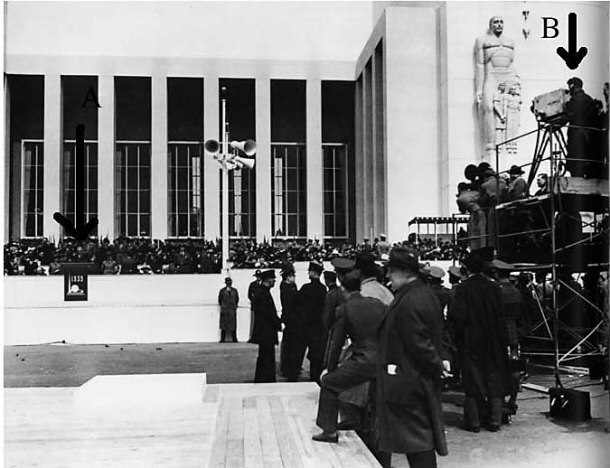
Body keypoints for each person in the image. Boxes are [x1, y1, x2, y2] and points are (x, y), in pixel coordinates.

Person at [377, 247, 448, 468]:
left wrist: (437, 365)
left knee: (417, 443)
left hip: (410, 383)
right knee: (417, 442)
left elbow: (420, 344)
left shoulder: (409, 300)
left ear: (406, 273)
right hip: (415, 380)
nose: (388, 276)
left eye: (392, 271)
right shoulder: (423, 294)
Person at [312, 271, 385, 443]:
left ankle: (329, 431)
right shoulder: (378, 304)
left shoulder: (344, 309)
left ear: (343, 290)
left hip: (363, 359)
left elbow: (336, 344)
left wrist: (329, 369)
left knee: (330, 383)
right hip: (383, 358)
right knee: (376, 399)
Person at [450, 250, 510, 432]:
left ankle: (473, 421)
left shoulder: (462, 289)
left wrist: (458, 339)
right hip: (493, 339)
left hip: (471, 339)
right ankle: (494, 420)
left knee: (472, 379)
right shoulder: (494, 288)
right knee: (494, 377)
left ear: (467, 268)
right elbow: (501, 315)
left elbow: (457, 318)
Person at [475, 16, 518, 162]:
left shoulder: (510, 42)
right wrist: (479, 89)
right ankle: (491, 147)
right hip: (491, 75)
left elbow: (512, 65)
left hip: (507, 75)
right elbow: (480, 66)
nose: (499, 24)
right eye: (496, 22)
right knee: (489, 107)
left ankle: (509, 147)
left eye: (501, 21)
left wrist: (514, 82)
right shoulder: (483, 41)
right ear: (491, 25)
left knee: (510, 109)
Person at [250, 269, 282, 383]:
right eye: (273, 279)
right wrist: (278, 323)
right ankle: (265, 379)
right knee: (266, 356)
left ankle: (264, 378)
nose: (274, 281)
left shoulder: (262, 292)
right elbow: (268, 313)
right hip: (266, 331)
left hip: (265, 331)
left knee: (265, 356)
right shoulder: (263, 293)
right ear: (268, 280)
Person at [300, 261, 328, 382]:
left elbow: (298, 304)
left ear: (313, 272)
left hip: (306, 325)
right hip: (318, 326)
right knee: (316, 353)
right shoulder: (322, 289)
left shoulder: (306, 288)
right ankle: (316, 376)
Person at [565, 77, 599, 177]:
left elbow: (568, 113)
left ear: (572, 86)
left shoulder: (574, 100)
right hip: (590, 136)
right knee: (586, 160)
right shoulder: (589, 99)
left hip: (577, 136)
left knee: (576, 162)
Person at [279, 263, 300, 380]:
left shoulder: (290, 286)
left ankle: (289, 365)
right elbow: (290, 303)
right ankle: (287, 367)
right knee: (289, 345)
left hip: (292, 318)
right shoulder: (286, 287)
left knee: (290, 344)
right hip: (290, 318)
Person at [218, 277, 239, 343]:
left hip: (232, 309)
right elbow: (220, 300)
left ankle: (234, 338)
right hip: (225, 309)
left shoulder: (234, 290)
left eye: (230, 283)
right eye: (227, 283)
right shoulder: (222, 291)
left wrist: (234, 306)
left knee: (233, 325)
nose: (229, 284)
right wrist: (223, 306)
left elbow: (237, 299)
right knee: (223, 325)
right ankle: (222, 339)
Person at [247, 270, 262, 343]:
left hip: (262, 306)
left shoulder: (263, 284)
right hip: (254, 306)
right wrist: (254, 300)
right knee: (253, 322)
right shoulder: (252, 285)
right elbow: (249, 295)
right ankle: (252, 337)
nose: (258, 277)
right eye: (257, 276)